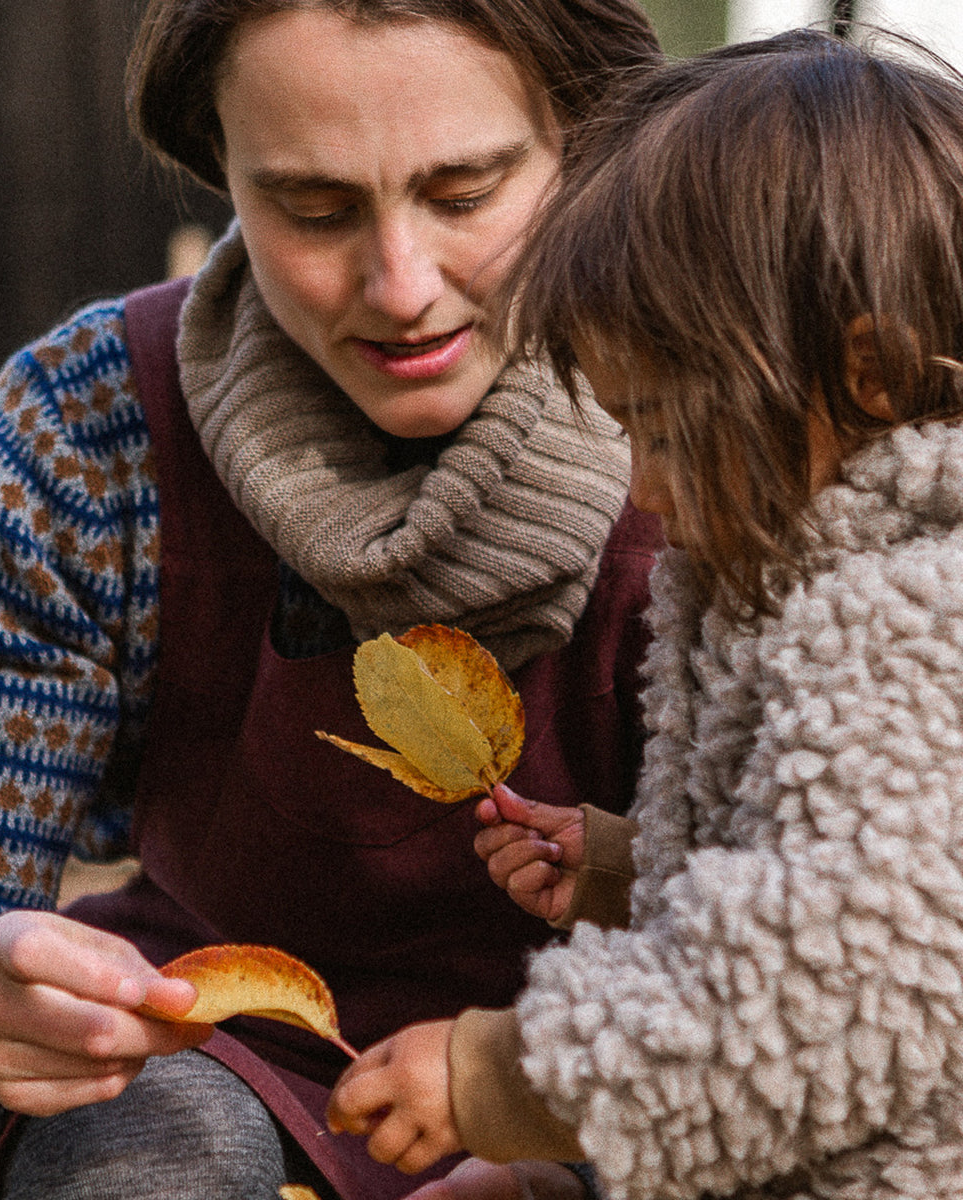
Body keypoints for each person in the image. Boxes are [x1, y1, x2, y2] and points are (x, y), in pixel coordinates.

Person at [0, 1, 664, 1198]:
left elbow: (869, 960)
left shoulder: (742, 413)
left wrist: (574, 1172)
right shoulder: (81, 436)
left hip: (658, 1080)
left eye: (465, 195)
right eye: (314, 210)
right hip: (214, 1085)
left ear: (586, 135)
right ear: (219, 164)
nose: (401, 286)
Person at [327, 25, 963, 1200]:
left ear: (868, 379)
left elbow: (818, 995)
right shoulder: (783, 586)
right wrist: (627, 868)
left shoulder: (911, 628)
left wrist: (497, 1080)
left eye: (665, 429)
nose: (643, 485)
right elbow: (839, 876)